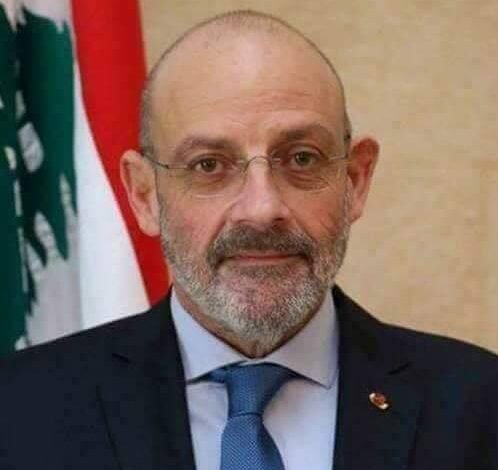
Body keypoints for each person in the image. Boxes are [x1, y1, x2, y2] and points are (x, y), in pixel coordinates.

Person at [1, 10, 498, 470]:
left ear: (355, 180)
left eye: (301, 158)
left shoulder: (479, 408)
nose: (262, 209)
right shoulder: (20, 410)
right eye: (209, 165)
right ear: (144, 195)